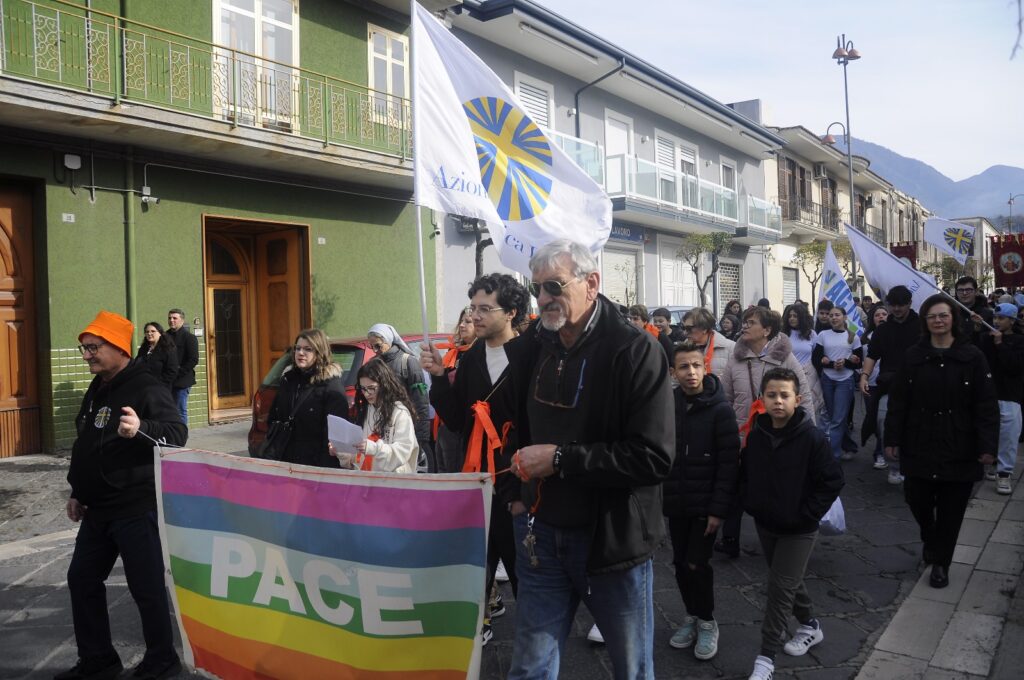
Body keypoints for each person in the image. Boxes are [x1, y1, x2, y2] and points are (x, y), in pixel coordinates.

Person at [505, 239, 674, 680]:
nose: (543, 299)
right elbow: (516, 426)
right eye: (537, 288)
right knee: (529, 668)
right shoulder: (534, 348)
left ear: (591, 283)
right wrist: (518, 496)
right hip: (540, 536)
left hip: (610, 541)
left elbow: (653, 457)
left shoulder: (635, 350)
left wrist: (561, 460)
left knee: (631, 670)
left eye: (555, 286)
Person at [58, 310, 187, 680]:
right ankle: (99, 659)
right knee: (82, 580)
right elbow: (87, 441)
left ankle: (162, 660)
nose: (87, 355)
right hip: (97, 508)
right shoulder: (98, 386)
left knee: (146, 588)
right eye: (84, 348)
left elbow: (177, 434)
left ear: (118, 347)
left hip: (135, 506)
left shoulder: (147, 386)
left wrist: (142, 427)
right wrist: (77, 490)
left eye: (93, 348)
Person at [422, 273, 529, 645]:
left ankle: (535, 641)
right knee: (475, 560)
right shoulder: (471, 360)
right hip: (477, 477)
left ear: (512, 312)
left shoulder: (530, 355)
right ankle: (475, 624)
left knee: (522, 567)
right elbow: (455, 418)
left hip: (517, 479)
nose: (476, 316)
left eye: (486, 309)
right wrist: (438, 377)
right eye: (473, 308)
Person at [885, 295, 997, 588]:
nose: (938, 320)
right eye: (932, 316)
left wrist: (987, 447)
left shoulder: (973, 356)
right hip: (919, 439)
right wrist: (892, 438)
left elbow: (985, 404)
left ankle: (941, 563)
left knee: (952, 509)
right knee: (917, 499)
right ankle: (930, 537)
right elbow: (898, 402)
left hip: (959, 443)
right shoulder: (913, 356)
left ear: (953, 319)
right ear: (925, 321)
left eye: (943, 315)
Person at [743, 368, 844, 680]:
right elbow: (747, 472)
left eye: (784, 395)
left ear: (797, 399)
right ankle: (811, 625)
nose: (777, 401)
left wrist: (807, 514)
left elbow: (832, 480)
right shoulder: (757, 434)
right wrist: (752, 502)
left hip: (799, 529)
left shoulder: (812, 438)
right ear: (762, 399)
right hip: (767, 522)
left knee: (779, 589)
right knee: (787, 579)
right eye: (771, 395)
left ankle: (765, 660)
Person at [717, 307, 815, 558]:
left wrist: (810, 436)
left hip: (777, 438)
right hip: (743, 435)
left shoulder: (786, 358)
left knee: (773, 488)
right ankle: (730, 539)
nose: (745, 326)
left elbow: (803, 399)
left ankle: (777, 537)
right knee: (735, 487)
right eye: (745, 322)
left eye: (751, 322)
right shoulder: (735, 358)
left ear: (767, 330)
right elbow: (726, 399)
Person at [663, 341, 739, 661]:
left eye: (696, 365)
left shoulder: (719, 409)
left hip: (705, 505)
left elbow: (729, 464)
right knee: (680, 564)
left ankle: (707, 621)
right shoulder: (668, 405)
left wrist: (718, 509)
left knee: (697, 563)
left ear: (705, 367)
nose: (691, 373)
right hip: (676, 501)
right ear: (673, 372)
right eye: (684, 367)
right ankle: (691, 615)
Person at [859, 285, 920, 485]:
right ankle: (894, 466)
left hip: (919, 385)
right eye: (893, 305)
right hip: (889, 386)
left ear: (909, 304)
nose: (897, 309)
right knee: (883, 422)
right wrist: (864, 376)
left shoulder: (921, 325)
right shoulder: (883, 329)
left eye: (901, 305)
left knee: (916, 428)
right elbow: (873, 355)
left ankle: (914, 464)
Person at [267, 329, 348, 468]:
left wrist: (322, 473)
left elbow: (333, 437)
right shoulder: (288, 380)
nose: (300, 353)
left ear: (319, 352)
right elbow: (273, 418)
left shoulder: (331, 387)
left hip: (314, 467)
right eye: (297, 348)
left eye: (307, 349)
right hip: (285, 462)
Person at [366, 323, 433, 472]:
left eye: (378, 346)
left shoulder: (408, 362)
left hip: (404, 425)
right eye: (372, 347)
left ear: (388, 340)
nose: (375, 351)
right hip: (381, 425)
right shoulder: (374, 364)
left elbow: (420, 399)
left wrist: (421, 434)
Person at [337, 357, 420, 473]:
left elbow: (403, 452)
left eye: (372, 388)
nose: (367, 394)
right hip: (369, 481)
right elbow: (360, 455)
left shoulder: (399, 412)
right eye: (363, 389)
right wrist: (342, 452)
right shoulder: (367, 409)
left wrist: (374, 448)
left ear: (384, 385)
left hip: (394, 483)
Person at [980, 303, 1024, 494]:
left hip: (1010, 395)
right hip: (988, 393)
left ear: (1012, 321)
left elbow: (1014, 366)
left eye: (1002, 318)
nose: (997, 322)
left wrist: (1000, 344)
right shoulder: (985, 338)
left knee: (1008, 435)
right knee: (988, 432)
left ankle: (1004, 473)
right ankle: (991, 461)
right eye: (995, 318)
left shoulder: (1020, 341)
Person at [812, 306, 863, 461]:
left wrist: (847, 362)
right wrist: (828, 363)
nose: (833, 318)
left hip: (845, 380)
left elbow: (859, 362)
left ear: (844, 317)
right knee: (836, 418)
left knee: (838, 419)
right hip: (827, 379)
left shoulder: (853, 337)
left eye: (837, 315)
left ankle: (831, 457)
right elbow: (816, 359)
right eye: (831, 315)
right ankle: (850, 446)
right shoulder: (823, 335)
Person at [432, 308, 477, 474]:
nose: (462, 326)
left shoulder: (476, 354)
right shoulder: (454, 353)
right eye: (462, 321)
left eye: (468, 322)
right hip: (444, 425)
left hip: (461, 429)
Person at [860, 304, 890, 469]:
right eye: (877, 315)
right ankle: (879, 453)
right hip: (870, 385)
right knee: (875, 419)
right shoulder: (865, 338)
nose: (881, 317)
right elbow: (860, 358)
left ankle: (886, 453)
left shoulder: (894, 335)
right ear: (872, 318)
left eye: (884, 314)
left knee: (885, 419)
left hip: (889, 384)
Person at [783, 303, 821, 420]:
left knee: (807, 407)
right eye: (790, 316)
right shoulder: (783, 335)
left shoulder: (811, 334)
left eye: (795, 316)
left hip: (808, 375)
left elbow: (816, 355)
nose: (792, 319)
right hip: (788, 375)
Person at [165, 308, 198, 426]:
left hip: (182, 380)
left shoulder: (189, 338)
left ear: (182, 321)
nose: (171, 320)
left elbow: (193, 360)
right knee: (169, 409)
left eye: (175, 318)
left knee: (179, 410)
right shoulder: (165, 336)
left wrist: (177, 373)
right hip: (168, 380)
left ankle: (181, 435)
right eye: (169, 318)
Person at [681, 307, 735, 379]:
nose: (685, 333)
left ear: (704, 328)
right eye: (683, 328)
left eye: (689, 329)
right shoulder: (682, 349)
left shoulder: (730, 347)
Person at [135, 322, 178, 389]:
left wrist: (157, 384)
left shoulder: (168, 349)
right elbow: (137, 364)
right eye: (147, 332)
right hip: (144, 387)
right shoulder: (143, 349)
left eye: (153, 331)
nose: (149, 334)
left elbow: (172, 371)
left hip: (160, 389)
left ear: (160, 333)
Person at [955, 275, 994, 344]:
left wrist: (977, 330)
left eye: (968, 290)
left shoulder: (988, 314)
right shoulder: (951, 314)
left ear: (976, 291)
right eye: (961, 290)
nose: (964, 293)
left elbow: (990, 341)